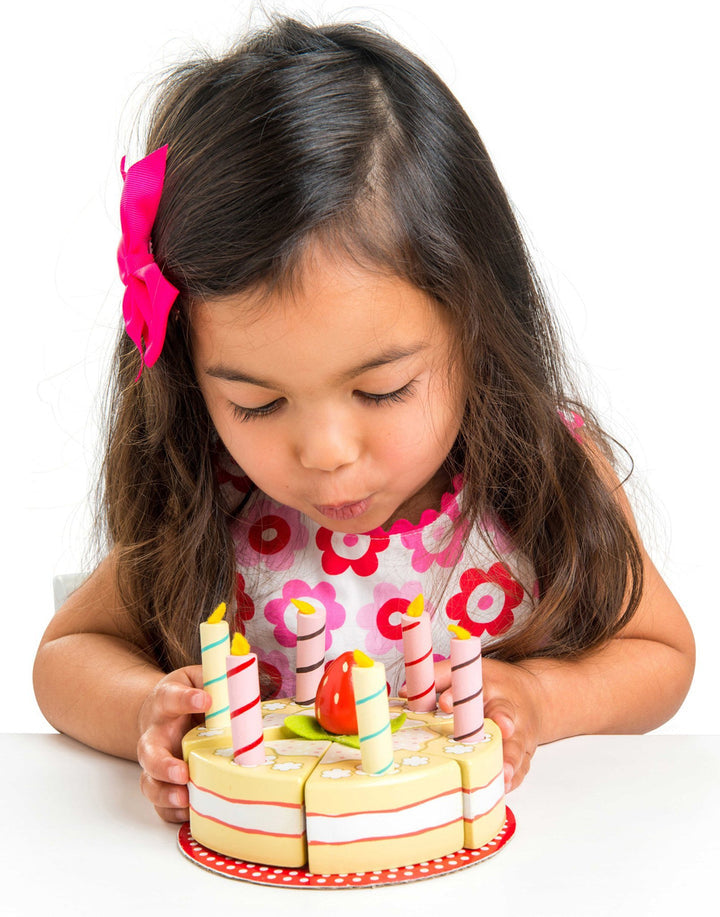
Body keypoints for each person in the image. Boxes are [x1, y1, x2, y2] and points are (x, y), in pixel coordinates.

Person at [33, 16, 694, 825]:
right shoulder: (220, 502)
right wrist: (146, 707)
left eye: (381, 390)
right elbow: (66, 655)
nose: (327, 453)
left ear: (476, 327)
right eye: (256, 402)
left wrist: (545, 697)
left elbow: (661, 654)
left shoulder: (541, 481)